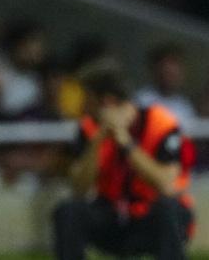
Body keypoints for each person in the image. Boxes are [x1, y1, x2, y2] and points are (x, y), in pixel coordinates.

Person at [53, 68, 194, 260]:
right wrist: (98, 140)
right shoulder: (89, 128)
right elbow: (78, 189)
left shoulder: (160, 123)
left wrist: (125, 142)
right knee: (68, 212)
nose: (83, 107)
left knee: (168, 208)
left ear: (107, 101)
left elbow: (166, 185)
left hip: (150, 215)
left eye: (88, 100)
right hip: (112, 216)